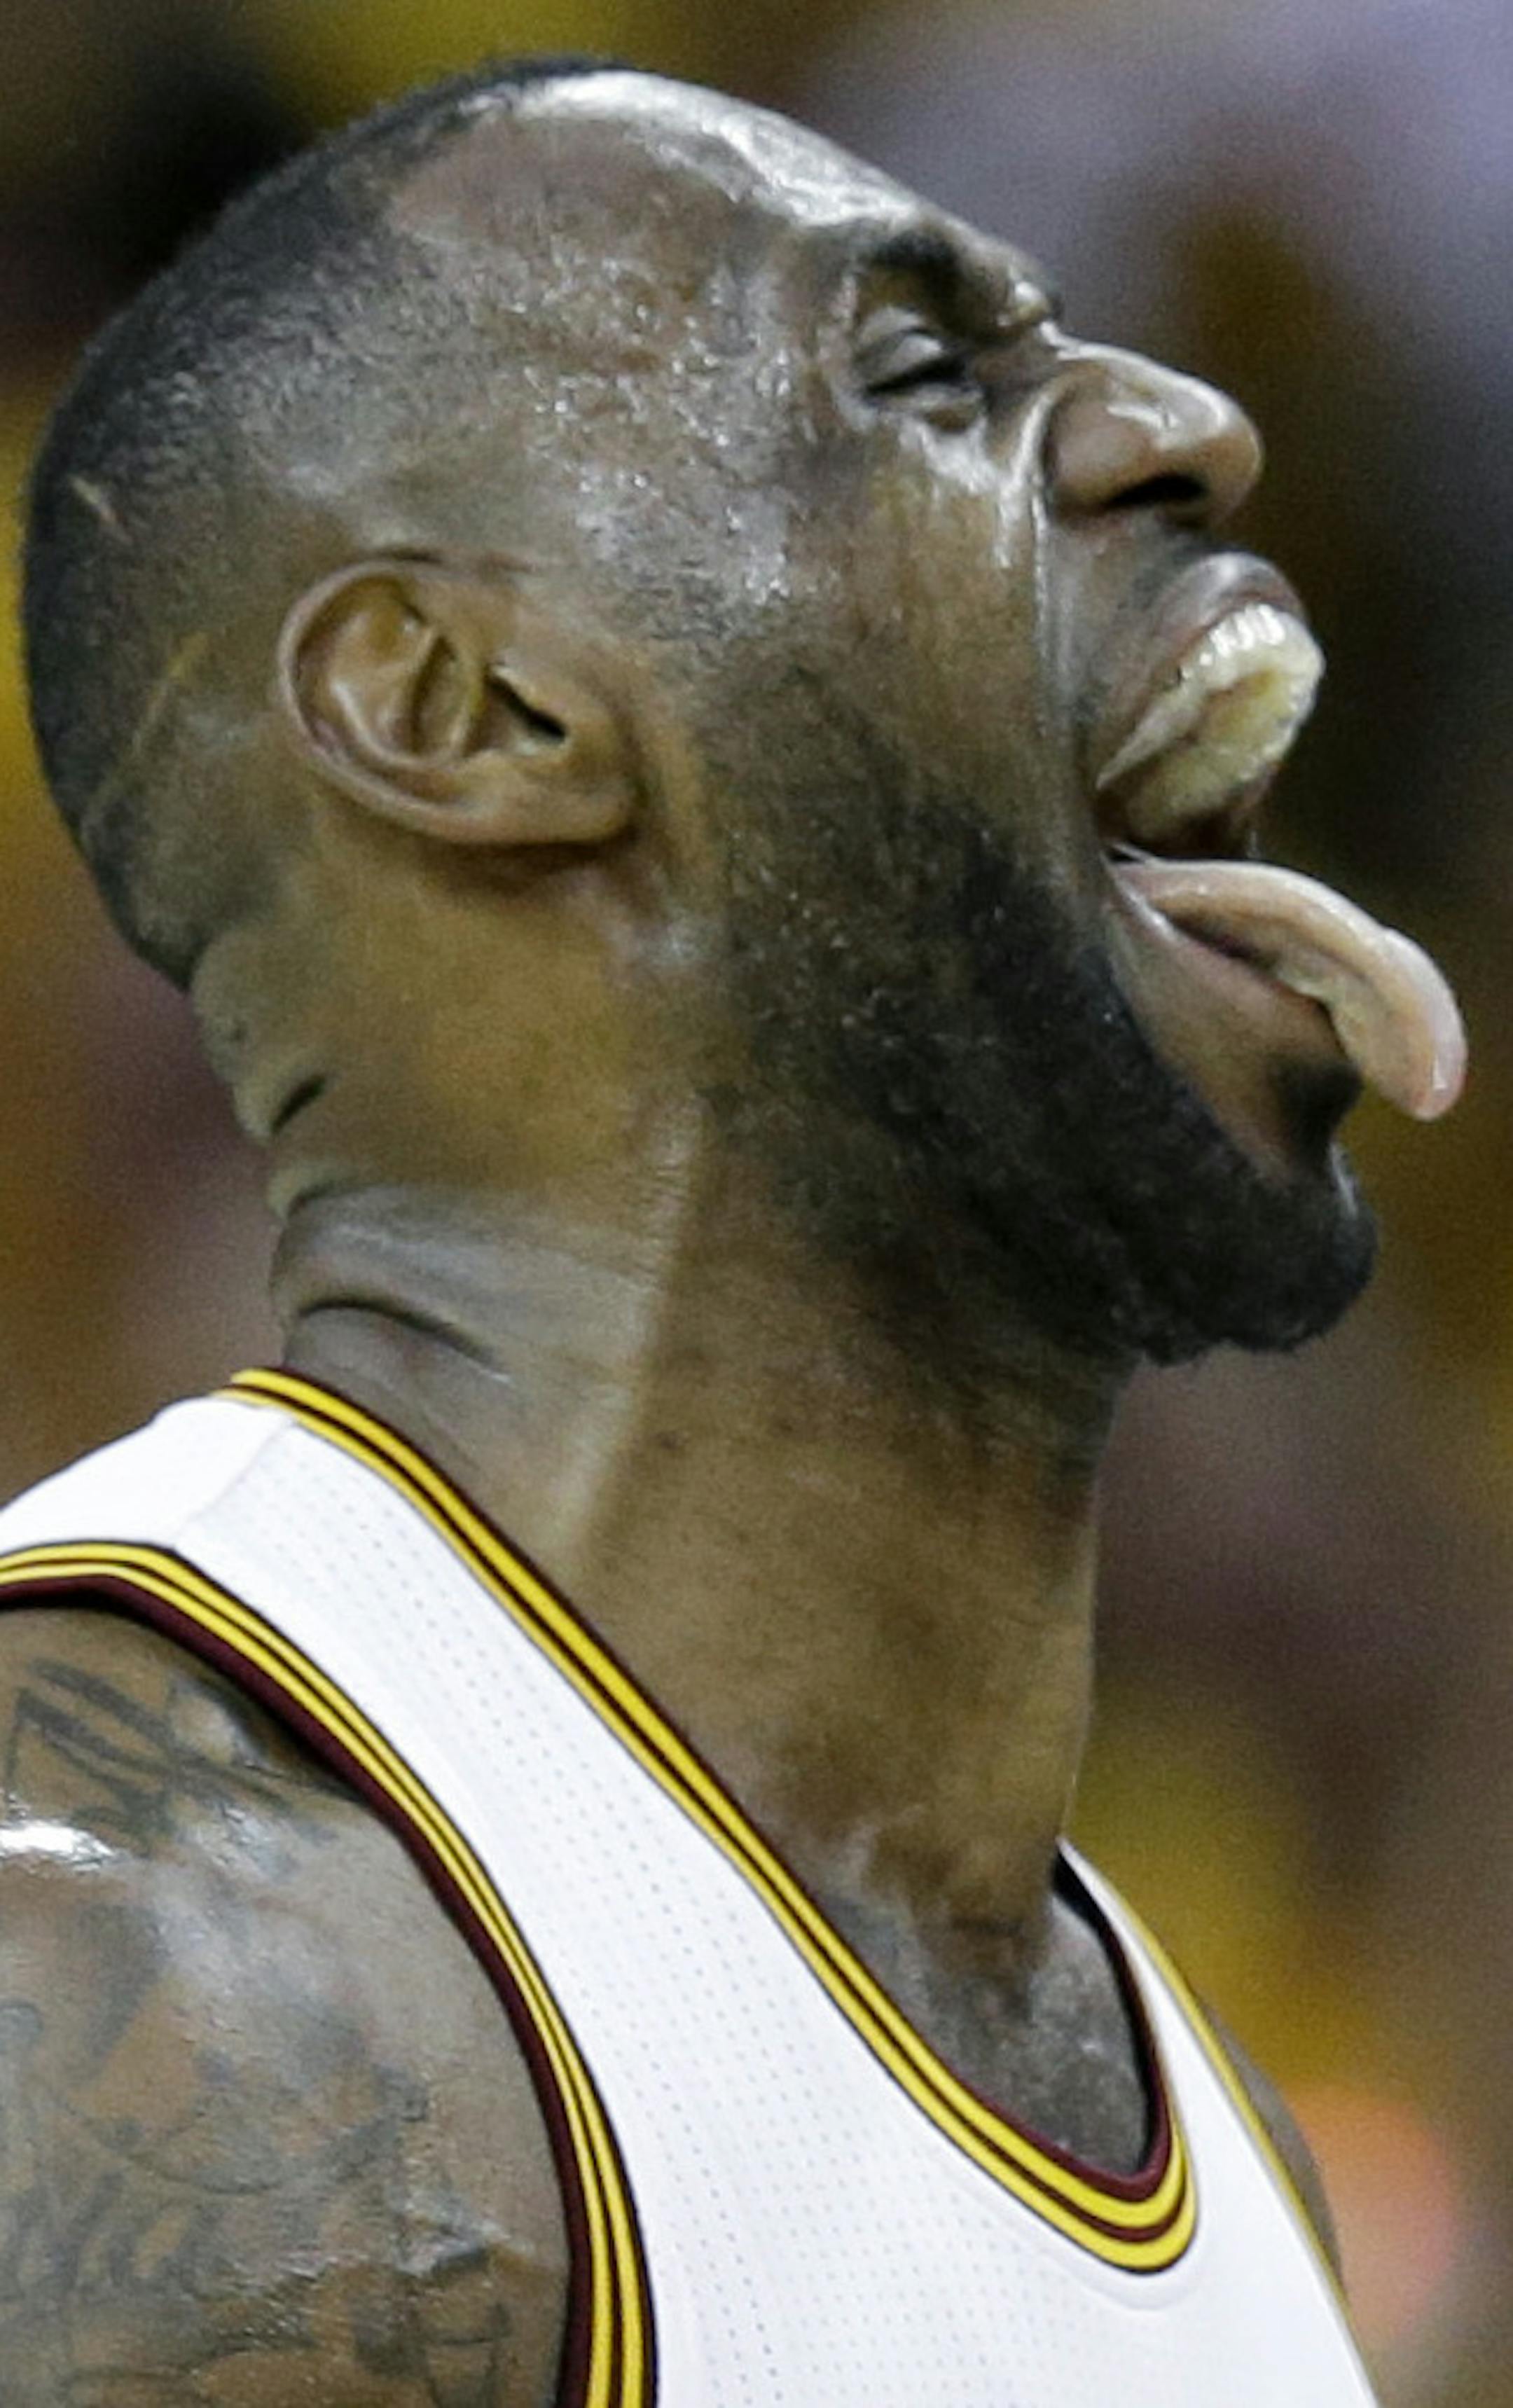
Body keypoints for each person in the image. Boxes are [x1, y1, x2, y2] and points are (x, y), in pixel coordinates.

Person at [0, 57, 1465, 2406]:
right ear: (466, 708)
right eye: (921, 376)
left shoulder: (1224, 2145)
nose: (1187, 421)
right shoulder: (123, 1998)